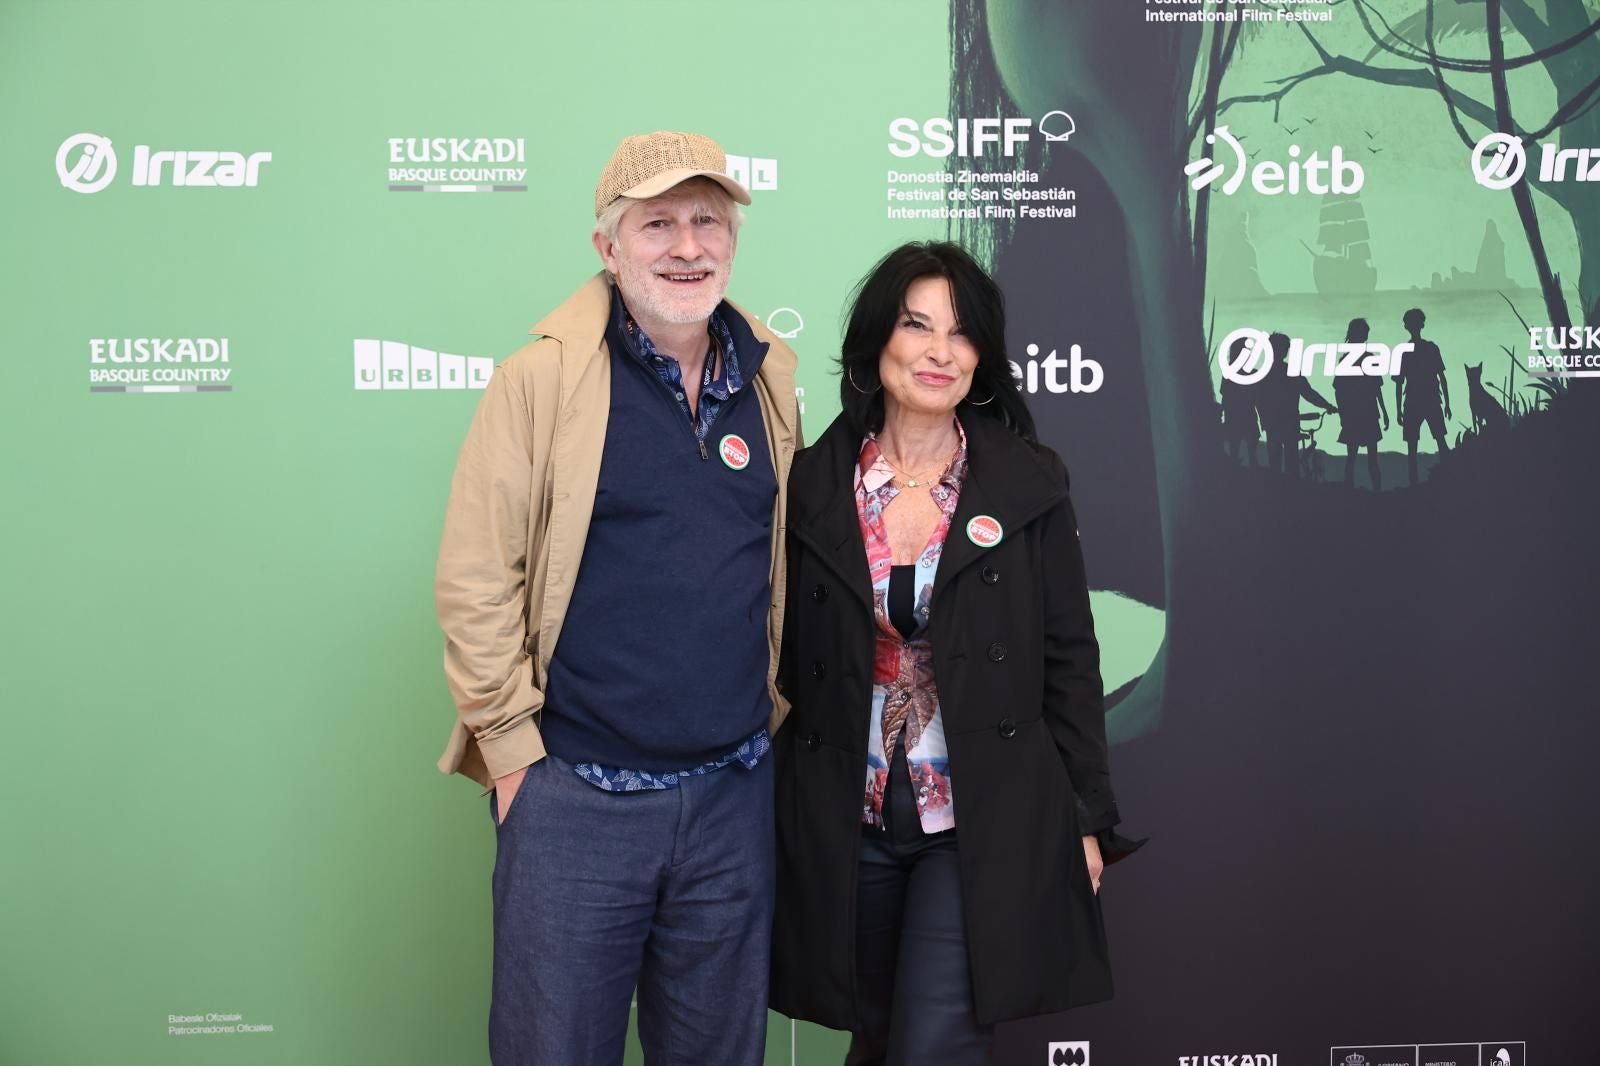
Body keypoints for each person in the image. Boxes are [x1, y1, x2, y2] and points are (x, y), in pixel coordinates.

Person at [433, 130, 801, 1066]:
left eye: (707, 220)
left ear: (732, 238)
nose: (688, 246)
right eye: (659, 223)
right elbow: (478, 578)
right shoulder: (541, 379)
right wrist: (515, 763)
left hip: (732, 797)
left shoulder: (770, 377)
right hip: (575, 798)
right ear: (608, 246)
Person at [769, 241, 1140, 1065]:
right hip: (845, 814)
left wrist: (1085, 820)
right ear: (878, 342)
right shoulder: (811, 484)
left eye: (963, 334)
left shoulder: (1027, 481)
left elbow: (1070, 657)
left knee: (935, 1045)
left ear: (984, 357)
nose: (940, 351)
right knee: (877, 1040)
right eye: (917, 325)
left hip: (976, 815)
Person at [1260, 330, 1337, 477]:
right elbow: (1308, 393)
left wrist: (1264, 419)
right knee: (1291, 460)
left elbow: (1259, 400)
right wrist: (1327, 405)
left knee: (1276, 461)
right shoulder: (1290, 371)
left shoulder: (1264, 373)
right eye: (1284, 348)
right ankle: (1292, 492)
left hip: (1275, 422)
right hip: (1288, 421)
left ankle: (1278, 492)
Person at [1393, 306, 1451, 487]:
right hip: (1431, 398)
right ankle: (1450, 477)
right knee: (1440, 440)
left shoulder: (1403, 351)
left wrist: (1397, 410)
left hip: (1413, 401)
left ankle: (1415, 485)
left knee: (1412, 447)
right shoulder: (1431, 348)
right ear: (1422, 325)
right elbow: (1442, 378)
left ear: (1406, 327)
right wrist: (1448, 403)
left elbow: (1398, 383)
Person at [1333, 317, 1390, 491]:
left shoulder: (1348, 359)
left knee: (1355, 457)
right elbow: (1340, 390)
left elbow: (1339, 390)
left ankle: (1357, 492)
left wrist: (1384, 411)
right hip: (1363, 414)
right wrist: (1384, 411)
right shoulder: (1358, 359)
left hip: (1359, 414)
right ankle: (1375, 493)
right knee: (1366, 457)